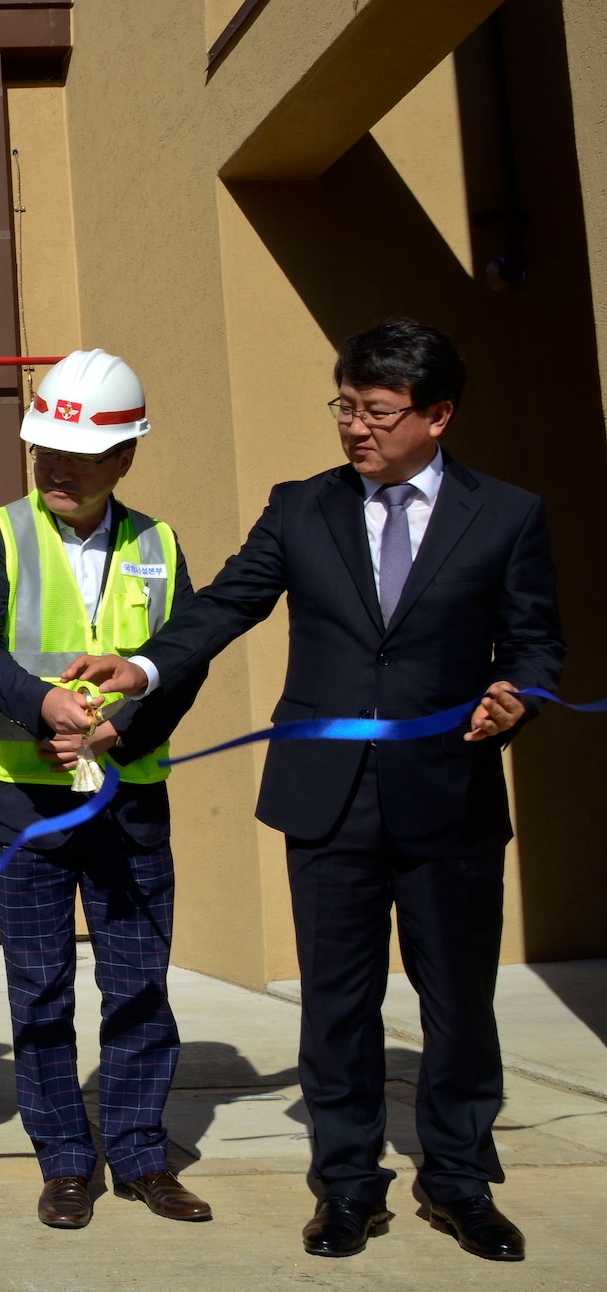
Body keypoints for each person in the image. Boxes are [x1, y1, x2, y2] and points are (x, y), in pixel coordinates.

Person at [66, 321, 562, 1262]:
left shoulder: (506, 514)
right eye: (345, 407)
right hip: (326, 799)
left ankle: (458, 1179)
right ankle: (345, 1185)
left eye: (377, 411)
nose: (356, 429)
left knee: (459, 999)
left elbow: (537, 642)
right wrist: (140, 668)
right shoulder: (301, 508)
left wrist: (518, 698)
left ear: (438, 416)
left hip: (449, 794)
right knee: (338, 1001)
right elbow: (222, 605)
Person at [0, 349, 212, 1231]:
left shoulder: (161, 543)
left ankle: (139, 1154)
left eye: (81, 456)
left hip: (128, 799)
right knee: (41, 985)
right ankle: (65, 1160)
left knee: (138, 982)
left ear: (126, 456)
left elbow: (183, 664)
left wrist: (119, 730)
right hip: (23, 801)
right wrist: (43, 707)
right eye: (44, 452)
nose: (57, 470)